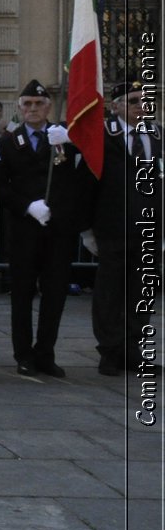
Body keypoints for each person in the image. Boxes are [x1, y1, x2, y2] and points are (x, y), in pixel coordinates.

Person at [0, 80, 83, 377]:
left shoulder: (63, 137)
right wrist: (26, 206)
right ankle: (24, 354)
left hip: (58, 231)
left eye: (38, 104)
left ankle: (46, 353)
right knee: (22, 294)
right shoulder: (7, 141)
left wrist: (73, 140)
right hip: (23, 229)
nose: (33, 109)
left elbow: (86, 172)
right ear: (19, 108)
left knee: (55, 294)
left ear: (48, 107)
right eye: (27, 104)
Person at [86, 78, 158, 376]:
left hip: (148, 230)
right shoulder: (103, 137)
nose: (140, 107)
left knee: (141, 295)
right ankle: (110, 351)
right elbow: (88, 185)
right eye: (133, 101)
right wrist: (87, 229)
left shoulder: (157, 137)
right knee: (109, 294)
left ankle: (134, 350)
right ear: (115, 106)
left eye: (144, 101)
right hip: (112, 228)